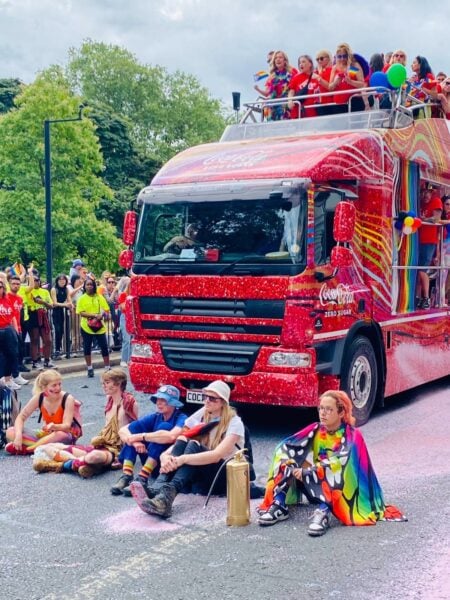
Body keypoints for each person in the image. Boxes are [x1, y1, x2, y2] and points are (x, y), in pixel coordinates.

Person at [257, 390, 406, 536]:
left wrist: (309, 471)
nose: (323, 413)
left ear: (341, 413)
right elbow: (288, 446)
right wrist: (296, 464)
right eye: (321, 408)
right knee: (284, 453)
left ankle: (324, 511)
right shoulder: (316, 428)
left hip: (341, 490)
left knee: (334, 469)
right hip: (314, 482)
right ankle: (279, 503)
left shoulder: (352, 435)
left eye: (329, 409)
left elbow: (341, 461)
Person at [130, 380, 245, 518]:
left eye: (212, 398)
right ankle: (158, 489)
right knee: (184, 439)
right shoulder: (205, 412)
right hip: (204, 471)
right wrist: (166, 456)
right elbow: (184, 434)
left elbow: (216, 455)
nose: (207, 401)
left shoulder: (235, 422)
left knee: (193, 445)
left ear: (223, 402)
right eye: (205, 397)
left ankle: (166, 496)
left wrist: (182, 459)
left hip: (225, 476)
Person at [32, 368, 138, 478]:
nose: (103, 386)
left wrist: (126, 455)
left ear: (118, 384)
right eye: (103, 383)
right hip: (100, 446)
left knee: (94, 457)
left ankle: (57, 466)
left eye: (107, 383)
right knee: (48, 447)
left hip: (115, 452)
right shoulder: (109, 399)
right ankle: (87, 466)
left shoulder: (129, 402)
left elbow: (136, 428)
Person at [110, 384, 187, 496]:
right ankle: (127, 474)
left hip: (166, 463)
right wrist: (135, 441)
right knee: (134, 431)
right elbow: (123, 430)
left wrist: (141, 436)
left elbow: (171, 436)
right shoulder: (155, 416)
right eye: (157, 400)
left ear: (173, 403)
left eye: (163, 400)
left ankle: (142, 477)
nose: (158, 403)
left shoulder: (182, 418)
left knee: (162, 431)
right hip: (151, 459)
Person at [5, 370, 81, 455]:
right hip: (48, 435)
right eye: (54, 385)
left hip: (66, 434)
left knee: (60, 434)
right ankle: (40, 446)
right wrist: (18, 436)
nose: (58, 388)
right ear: (44, 388)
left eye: (59, 384)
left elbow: (67, 426)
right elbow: (21, 417)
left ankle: (28, 449)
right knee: (10, 431)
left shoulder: (68, 398)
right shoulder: (39, 397)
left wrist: (54, 426)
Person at [76, 277, 111, 377]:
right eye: (87, 284)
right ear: (84, 286)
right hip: (86, 326)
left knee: (104, 346)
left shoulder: (99, 296)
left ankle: (107, 367)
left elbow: (106, 308)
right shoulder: (82, 298)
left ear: (94, 286)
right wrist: (94, 315)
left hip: (99, 325)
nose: (89, 286)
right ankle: (89, 368)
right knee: (87, 347)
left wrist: (101, 314)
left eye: (91, 284)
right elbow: (80, 312)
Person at [417, 185, 443, 308]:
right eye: (423, 192)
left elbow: (436, 219)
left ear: (432, 193)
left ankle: (426, 297)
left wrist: (423, 219)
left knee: (422, 269)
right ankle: (417, 297)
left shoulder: (436, 201)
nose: (425, 195)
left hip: (429, 240)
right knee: (415, 269)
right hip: (417, 240)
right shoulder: (420, 204)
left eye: (428, 192)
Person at [24, 269, 55, 369]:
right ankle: (35, 361)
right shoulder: (28, 291)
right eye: (33, 280)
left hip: (43, 315)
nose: (36, 281)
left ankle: (47, 360)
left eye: (37, 280)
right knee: (35, 339)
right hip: (33, 315)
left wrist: (43, 303)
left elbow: (51, 305)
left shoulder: (45, 291)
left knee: (48, 340)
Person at [328, 43, 368, 113]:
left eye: (344, 56)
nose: (342, 58)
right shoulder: (335, 68)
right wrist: (335, 83)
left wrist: (350, 82)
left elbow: (362, 84)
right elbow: (330, 87)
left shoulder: (354, 66)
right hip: (339, 104)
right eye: (339, 56)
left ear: (348, 56)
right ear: (336, 57)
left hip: (354, 102)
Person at [259, 50, 297, 121]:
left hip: (286, 104)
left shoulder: (292, 72)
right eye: (276, 58)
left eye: (280, 57)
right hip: (273, 106)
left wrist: (290, 99)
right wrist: (257, 89)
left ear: (285, 60)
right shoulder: (272, 76)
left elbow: (295, 88)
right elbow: (267, 92)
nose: (278, 59)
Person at [0, 279, 20, 390]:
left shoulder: (6, 300)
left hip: (7, 329)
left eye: (0, 287)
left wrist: (15, 331)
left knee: (11, 354)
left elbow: (12, 316)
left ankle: (8, 379)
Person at [50, 274, 73, 358]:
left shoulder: (66, 289)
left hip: (62, 312)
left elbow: (69, 300)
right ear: (57, 281)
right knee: (57, 330)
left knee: (61, 331)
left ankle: (59, 349)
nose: (62, 281)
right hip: (55, 312)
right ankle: (55, 350)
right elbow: (54, 303)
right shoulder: (54, 289)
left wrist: (70, 305)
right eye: (60, 280)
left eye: (64, 280)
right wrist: (66, 305)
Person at [312, 49, 333, 115]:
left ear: (328, 58)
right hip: (318, 104)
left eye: (321, 58)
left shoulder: (332, 70)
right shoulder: (316, 72)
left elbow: (330, 87)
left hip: (329, 103)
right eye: (317, 59)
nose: (319, 61)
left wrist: (319, 77)